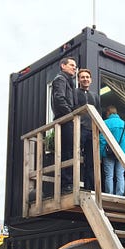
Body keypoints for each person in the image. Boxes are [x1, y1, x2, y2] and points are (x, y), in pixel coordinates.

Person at [50, 57, 77, 193]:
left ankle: (68, 184)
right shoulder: (60, 79)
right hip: (65, 119)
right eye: (71, 65)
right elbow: (59, 99)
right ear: (63, 66)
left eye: (75, 66)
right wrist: (70, 115)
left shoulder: (68, 81)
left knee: (69, 151)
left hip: (67, 119)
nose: (74, 68)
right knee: (67, 152)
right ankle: (66, 185)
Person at [74, 68, 100, 191]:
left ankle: (89, 187)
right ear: (79, 80)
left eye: (87, 77)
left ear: (91, 80)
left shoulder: (95, 96)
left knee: (91, 160)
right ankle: (73, 185)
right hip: (79, 128)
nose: (85, 79)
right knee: (75, 156)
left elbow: (98, 113)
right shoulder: (74, 93)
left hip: (92, 131)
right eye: (82, 77)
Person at [99, 106, 125, 196]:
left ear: (108, 113)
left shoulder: (105, 123)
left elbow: (102, 141)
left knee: (109, 176)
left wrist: (99, 156)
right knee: (120, 175)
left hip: (108, 153)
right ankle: (120, 195)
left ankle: (109, 194)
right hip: (122, 154)